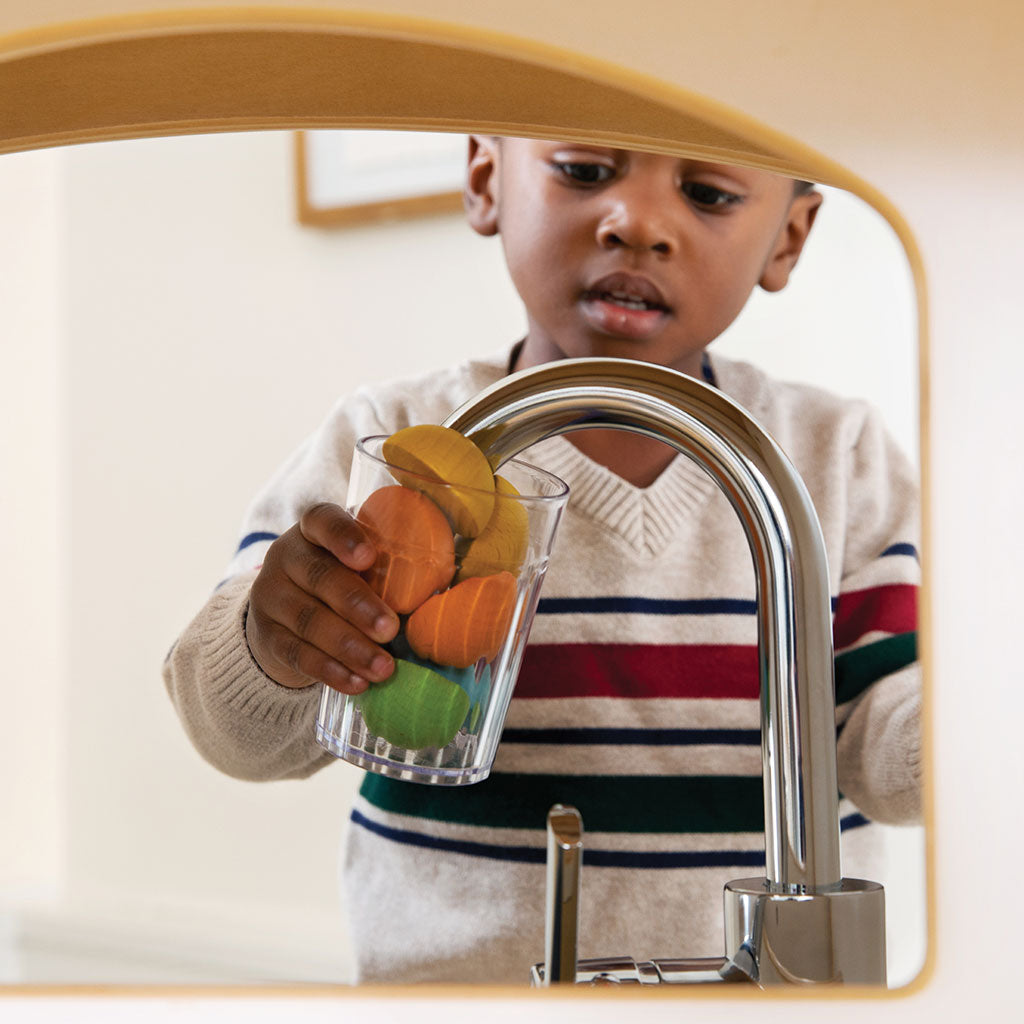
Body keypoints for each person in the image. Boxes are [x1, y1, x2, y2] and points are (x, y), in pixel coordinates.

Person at [164, 136, 921, 984]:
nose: (637, 222)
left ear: (789, 236)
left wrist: (972, 728)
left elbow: (890, 741)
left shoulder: (834, 458)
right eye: (586, 172)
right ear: (486, 179)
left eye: (707, 192)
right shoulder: (396, 439)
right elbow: (233, 736)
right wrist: (279, 647)